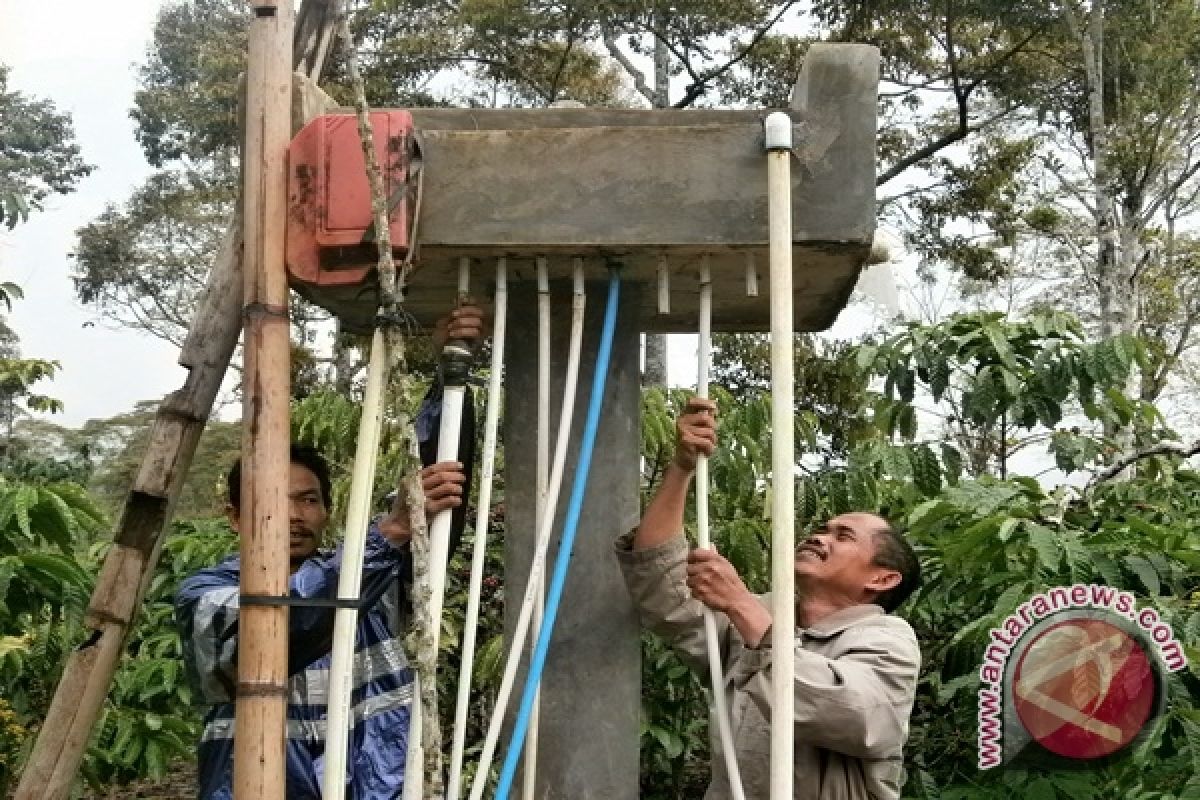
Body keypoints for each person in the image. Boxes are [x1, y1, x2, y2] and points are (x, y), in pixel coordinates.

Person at [176, 306, 484, 800]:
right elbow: (279, 625)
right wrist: (389, 532)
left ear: (327, 510)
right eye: (273, 501)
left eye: (308, 500)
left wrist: (449, 373)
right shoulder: (207, 594)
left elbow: (433, 503)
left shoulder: (374, 581)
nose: (294, 516)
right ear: (235, 516)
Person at [615, 397, 922, 800]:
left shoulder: (887, 639)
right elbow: (660, 581)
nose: (818, 536)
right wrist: (682, 467)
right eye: (822, 528)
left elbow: (854, 716)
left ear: (883, 578)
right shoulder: (760, 614)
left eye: (842, 536)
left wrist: (741, 604)